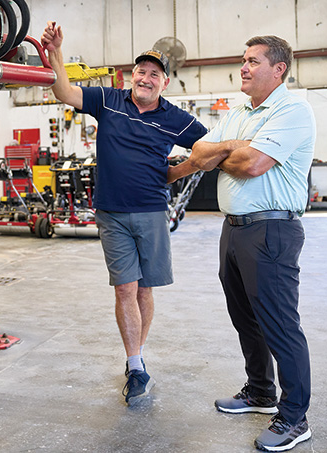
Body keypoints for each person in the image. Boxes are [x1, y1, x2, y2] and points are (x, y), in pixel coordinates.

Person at [40, 22, 207, 406]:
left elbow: (208, 149)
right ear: (132, 75)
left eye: (154, 74)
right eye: (141, 71)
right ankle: (135, 364)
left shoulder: (176, 119)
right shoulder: (109, 100)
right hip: (111, 213)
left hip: (151, 212)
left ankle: (138, 355)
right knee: (125, 287)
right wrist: (56, 52)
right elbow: (64, 91)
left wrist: (176, 171)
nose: (145, 78)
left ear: (164, 84)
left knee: (145, 289)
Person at [183, 35, 316, 451]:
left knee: (280, 324)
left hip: (271, 230)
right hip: (234, 228)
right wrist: (228, 146)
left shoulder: (293, 110)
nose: (243, 67)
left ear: (278, 69)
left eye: (253, 61)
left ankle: (295, 417)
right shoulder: (240, 112)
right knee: (245, 317)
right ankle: (260, 391)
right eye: (243, 60)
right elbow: (199, 150)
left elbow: (253, 164)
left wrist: (226, 154)